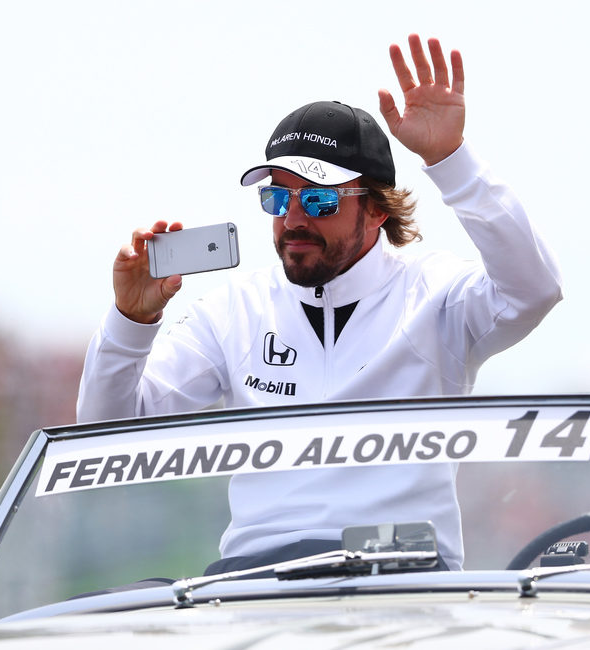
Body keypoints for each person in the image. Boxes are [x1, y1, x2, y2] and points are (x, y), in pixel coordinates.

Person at [77, 34, 563, 572]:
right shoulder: (233, 310)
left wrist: (451, 160)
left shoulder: (438, 295)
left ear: (378, 210)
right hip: (257, 582)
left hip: (405, 582)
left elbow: (533, 290)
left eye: (319, 198)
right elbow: (106, 436)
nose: (293, 219)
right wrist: (131, 321)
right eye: (276, 197)